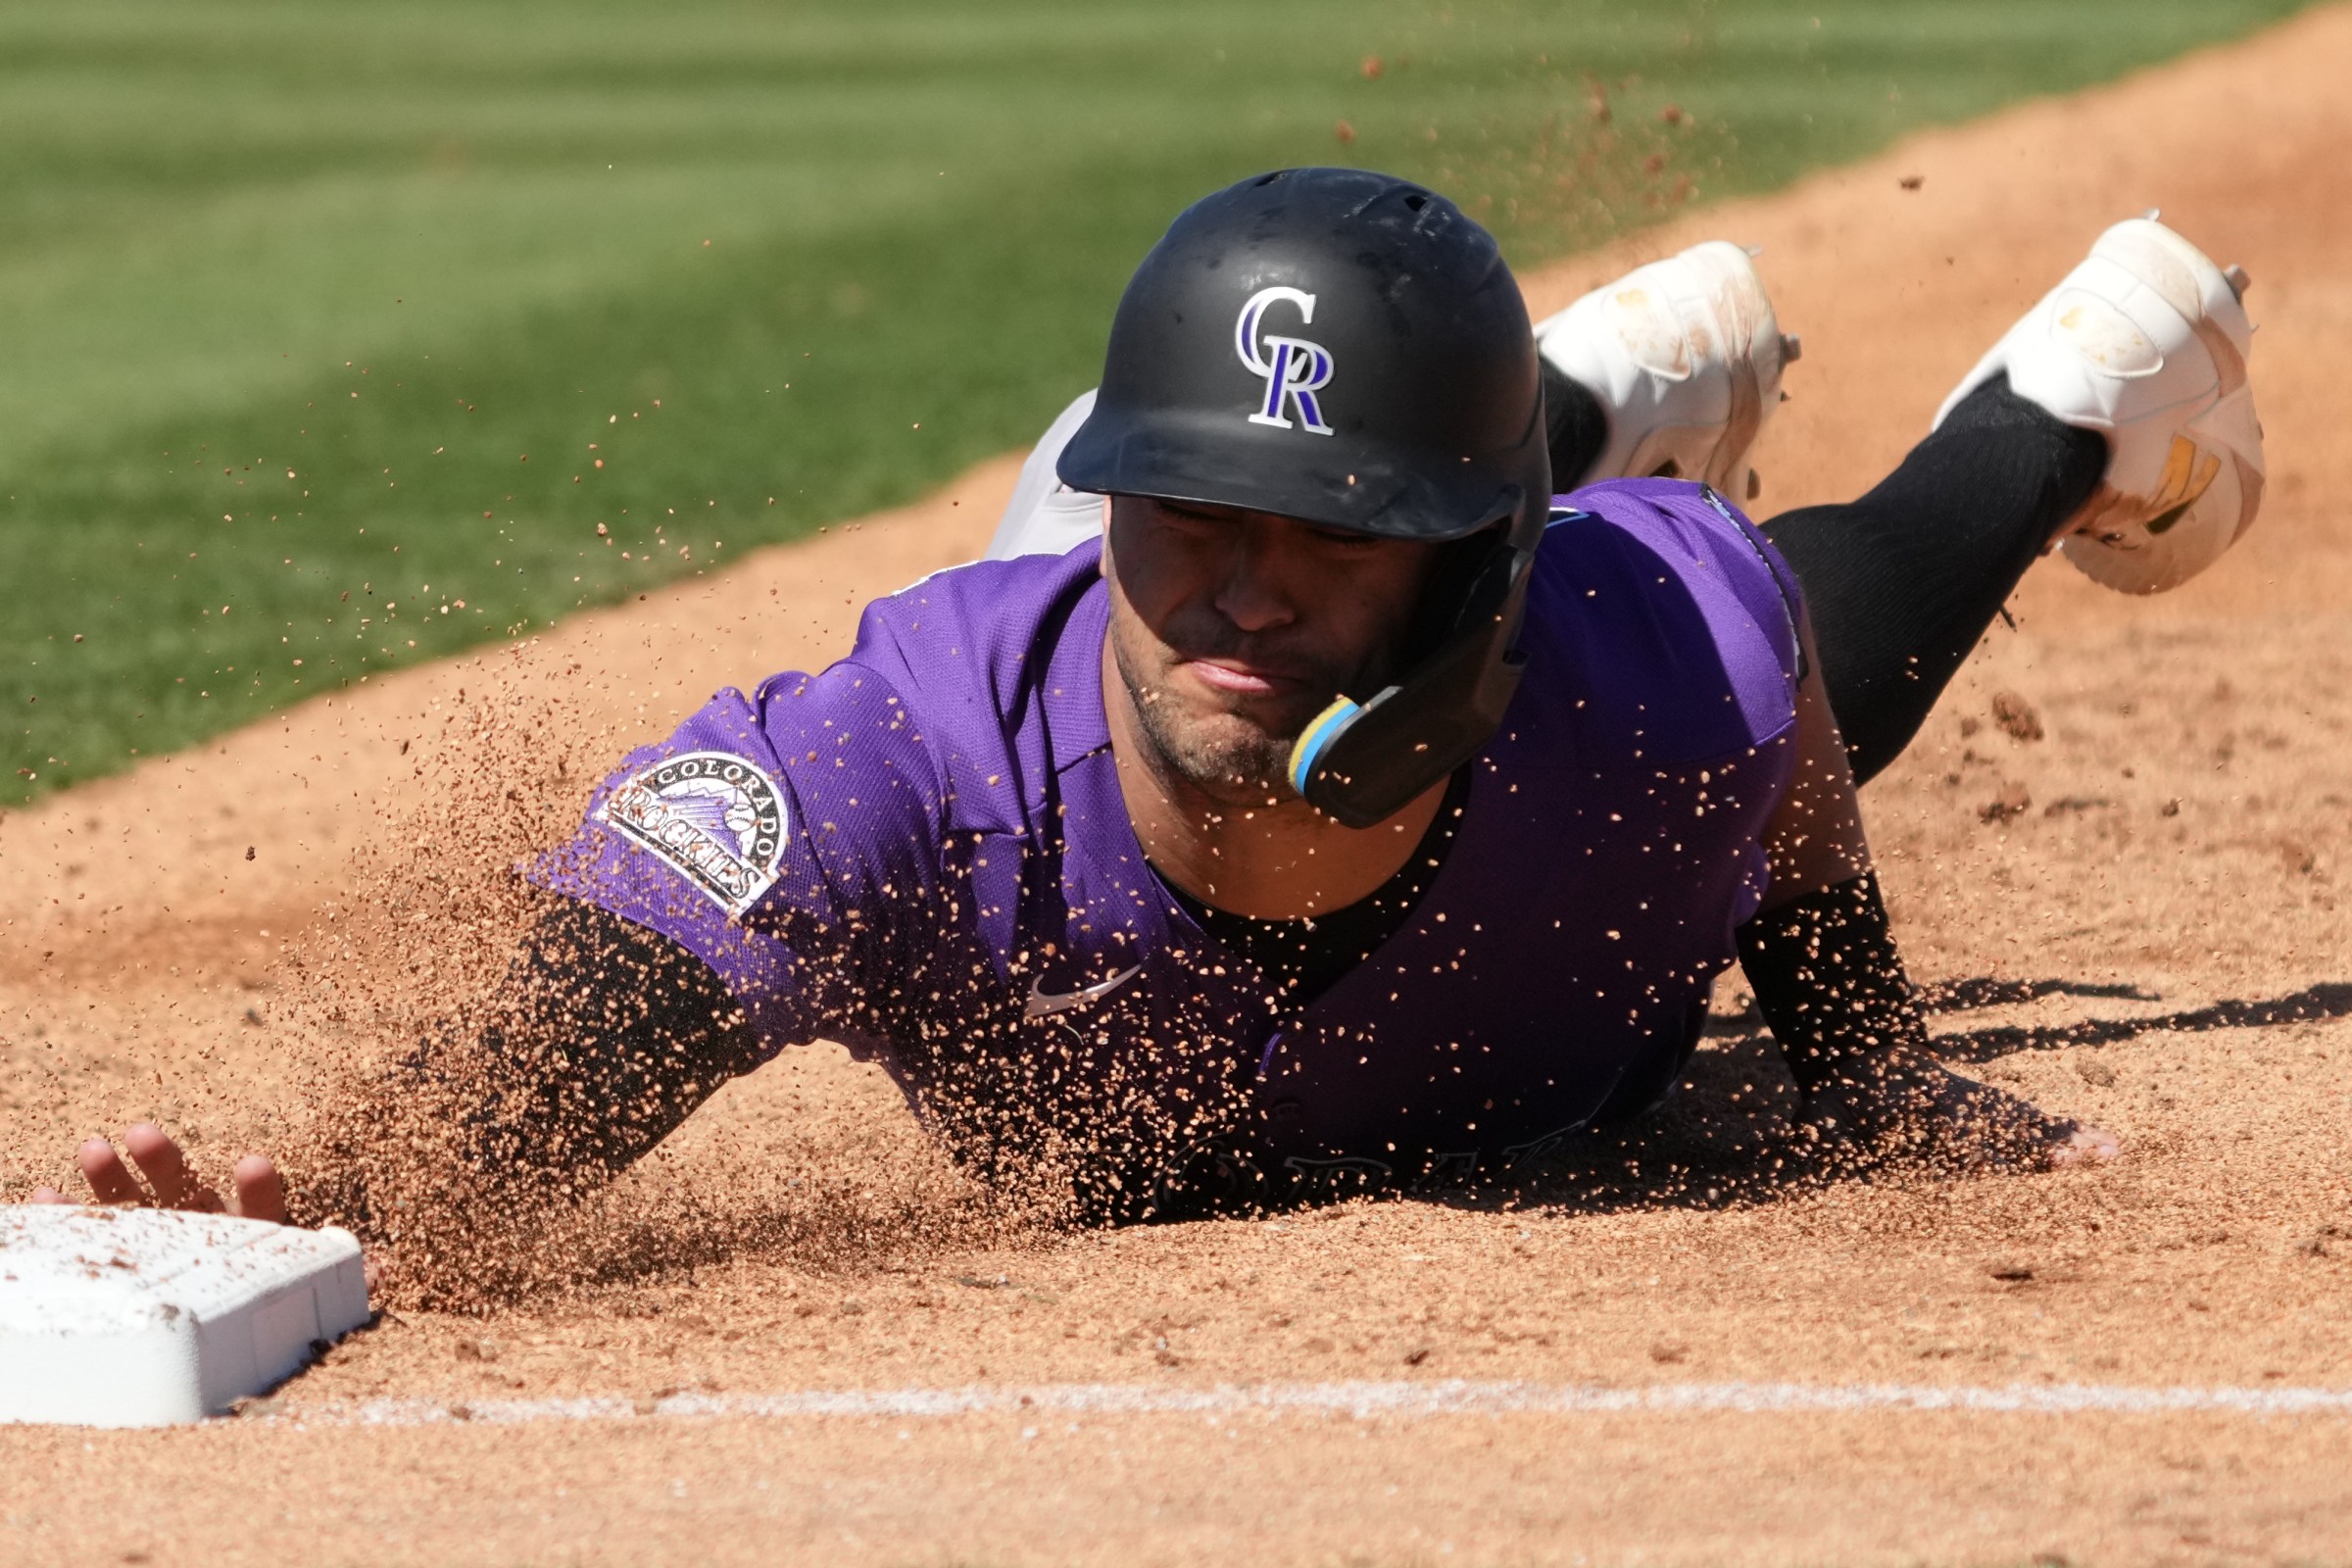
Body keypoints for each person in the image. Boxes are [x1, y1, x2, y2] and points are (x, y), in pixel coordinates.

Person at [41, 170, 2262, 1230]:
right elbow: (553, 1054)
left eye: (1327, 533)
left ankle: (2093, 372)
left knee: (1824, 640)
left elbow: (1782, 752)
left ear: (1494, 568)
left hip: (1553, 585)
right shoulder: (898, 775)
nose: (1240, 592)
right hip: (1081, 637)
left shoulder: (1656, 658)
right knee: (1104, 567)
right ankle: (1578, 384)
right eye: (1184, 511)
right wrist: (327, 1192)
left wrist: (1868, 1064)